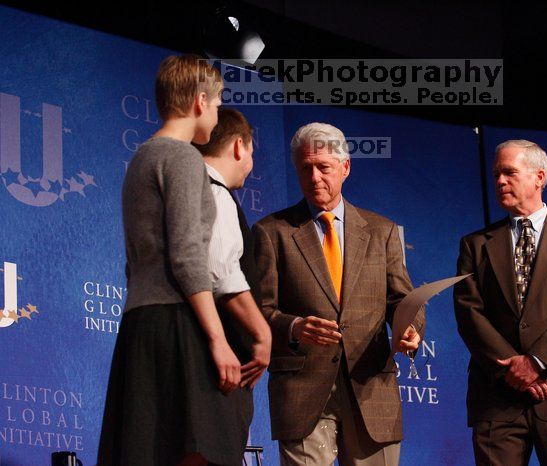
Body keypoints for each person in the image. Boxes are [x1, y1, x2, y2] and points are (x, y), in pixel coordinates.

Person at [98, 55, 246, 466]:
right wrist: (218, 339)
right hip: (178, 324)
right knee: (199, 451)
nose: (217, 115)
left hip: (141, 327)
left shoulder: (142, 158)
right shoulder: (181, 158)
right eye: (217, 104)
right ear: (201, 101)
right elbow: (187, 255)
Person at [253, 122, 425, 466]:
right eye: (306, 168)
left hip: (371, 383)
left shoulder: (382, 231)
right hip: (302, 389)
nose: (315, 177)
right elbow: (258, 310)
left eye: (324, 167)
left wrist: (410, 327)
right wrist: (294, 327)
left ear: (345, 168)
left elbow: (400, 299)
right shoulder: (272, 233)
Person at [453, 139, 547, 466]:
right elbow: (469, 314)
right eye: (496, 175)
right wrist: (514, 367)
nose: (500, 182)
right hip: (497, 397)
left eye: (509, 172)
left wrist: (537, 363)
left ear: (539, 177)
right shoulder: (475, 245)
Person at [193, 107, 273, 460]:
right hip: (217, 369)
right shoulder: (216, 195)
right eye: (252, 152)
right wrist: (262, 334)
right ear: (239, 147)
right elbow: (221, 274)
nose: (250, 162)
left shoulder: (190, 191)